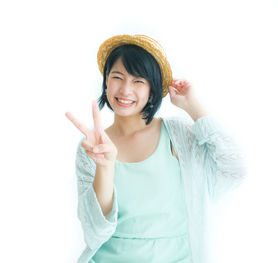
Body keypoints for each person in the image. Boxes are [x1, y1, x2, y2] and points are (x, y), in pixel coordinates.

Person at [65, 34, 247, 263]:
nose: (125, 90)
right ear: (106, 81)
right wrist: (105, 166)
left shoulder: (178, 135)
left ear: (152, 88)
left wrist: (194, 108)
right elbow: (95, 233)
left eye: (138, 81)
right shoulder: (92, 147)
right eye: (117, 77)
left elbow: (235, 168)